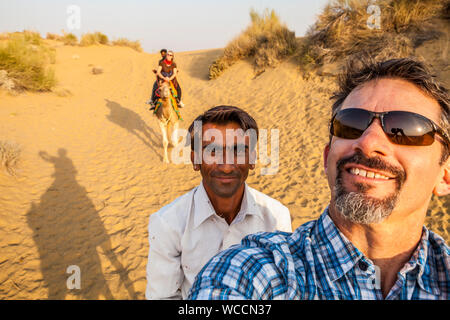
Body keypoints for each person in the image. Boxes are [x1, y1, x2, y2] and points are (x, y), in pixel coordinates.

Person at [188, 58, 450, 300]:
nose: (368, 142)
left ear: (446, 176)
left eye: (403, 129)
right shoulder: (249, 275)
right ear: (327, 159)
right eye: (351, 124)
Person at [145, 106, 292, 299]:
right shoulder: (168, 223)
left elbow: (285, 289)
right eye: (212, 151)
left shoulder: (276, 217)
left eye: (238, 150)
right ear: (195, 160)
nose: (225, 165)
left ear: (252, 158)